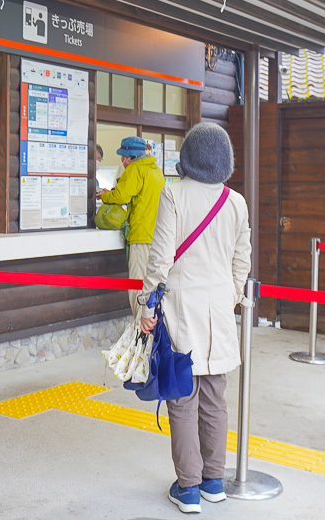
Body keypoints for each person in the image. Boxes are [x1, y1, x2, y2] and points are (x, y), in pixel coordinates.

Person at [135, 122, 251, 514]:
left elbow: (160, 258)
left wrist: (147, 305)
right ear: (225, 161)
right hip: (219, 310)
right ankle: (214, 482)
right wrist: (231, 296)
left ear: (188, 157)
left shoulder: (174, 193)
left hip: (181, 308)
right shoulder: (236, 202)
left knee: (182, 398)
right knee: (215, 399)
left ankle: (188, 489)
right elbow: (242, 260)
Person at [96, 136, 165, 316]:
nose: (121, 160)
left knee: (137, 284)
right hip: (157, 236)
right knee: (152, 284)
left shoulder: (135, 169)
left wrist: (104, 196)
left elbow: (121, 196)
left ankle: (140, 325)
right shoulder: (156, 171)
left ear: (130, 157)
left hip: (141, 235)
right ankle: (152, 323)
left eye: (123, 156)